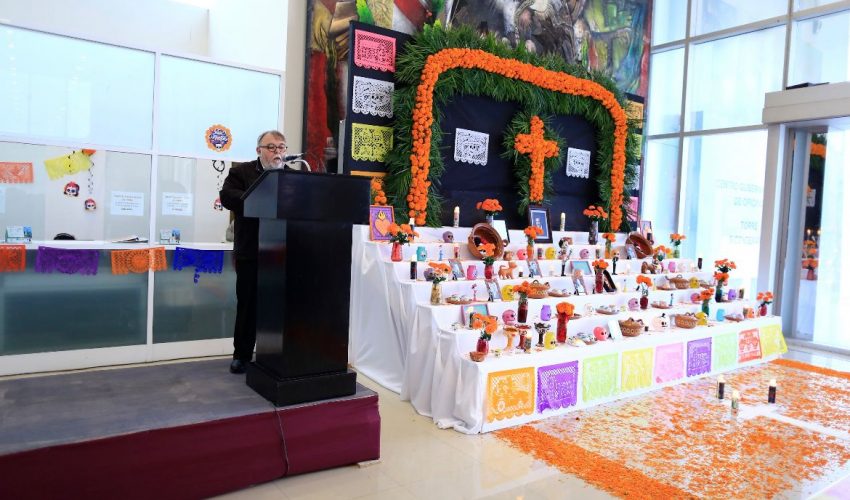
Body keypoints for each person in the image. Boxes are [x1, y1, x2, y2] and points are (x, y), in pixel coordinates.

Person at [219, 130, 290, 374]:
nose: (277, 152)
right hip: (252, 251)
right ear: (258, 149)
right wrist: (263, 199)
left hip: (283, 254)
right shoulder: (241, 173)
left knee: (280, 307)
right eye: (271, 147)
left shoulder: (292, 176)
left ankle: (276, 354)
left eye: (281, 147)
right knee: (248, 305)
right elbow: (228, 196)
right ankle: (242, 355)